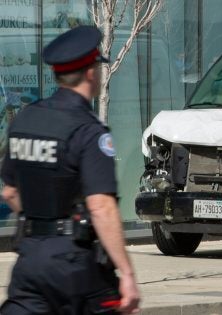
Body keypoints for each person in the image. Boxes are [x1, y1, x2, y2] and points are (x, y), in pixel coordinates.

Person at [0, 26, 140, 314]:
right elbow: (101, 207)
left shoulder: (25, 120)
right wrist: (126, 273)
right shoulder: (89, 132)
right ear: (91, 73)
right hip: (75, 267)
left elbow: (10, 192)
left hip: (30, 258)